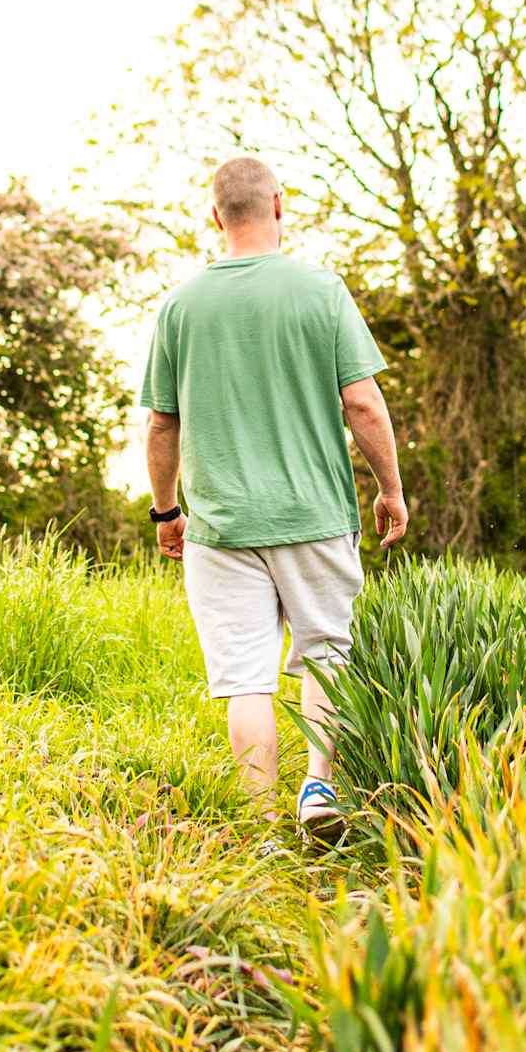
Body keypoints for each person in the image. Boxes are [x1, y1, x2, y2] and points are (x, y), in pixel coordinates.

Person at [140, 155, 408, 841]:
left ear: (215, 215)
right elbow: (363, 403)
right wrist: (390, 490)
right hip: (315, 514)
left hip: (221, 526)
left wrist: (167, 511)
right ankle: (320, 789)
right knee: (325, 652)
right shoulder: (320, 291)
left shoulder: (179, 305)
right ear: (279, 206)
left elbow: (161, 422)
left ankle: (259, 824)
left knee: (244, 677)